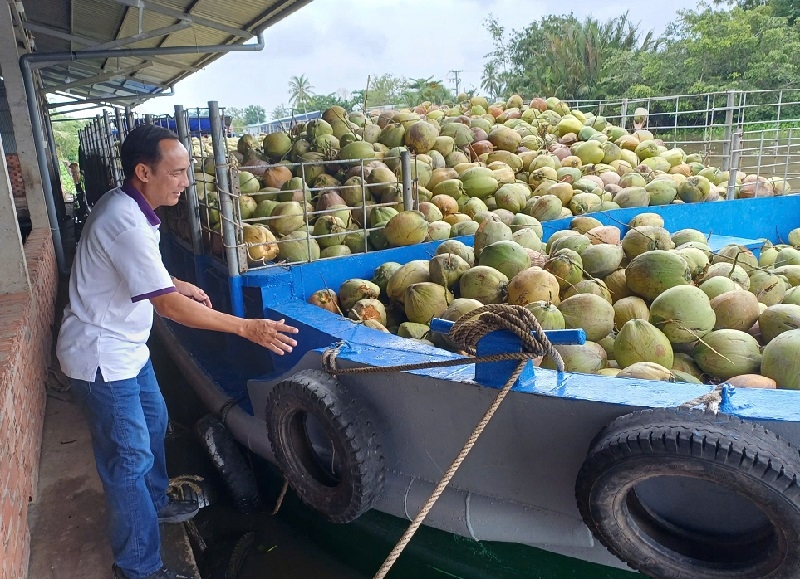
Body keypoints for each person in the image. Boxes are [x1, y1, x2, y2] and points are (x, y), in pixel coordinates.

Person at [56, 124, 299, 579]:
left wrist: (175, 281)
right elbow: (169, 308)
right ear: (143, 171)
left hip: (126, 349)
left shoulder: (130, 205)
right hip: (103, 359)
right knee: (128, 462)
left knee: (155, 423)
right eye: (178, 172)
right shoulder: (124, 221)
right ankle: (139, 568)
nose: (186, 182)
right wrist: (247, 327)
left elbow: (145, 276)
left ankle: (155, 503)